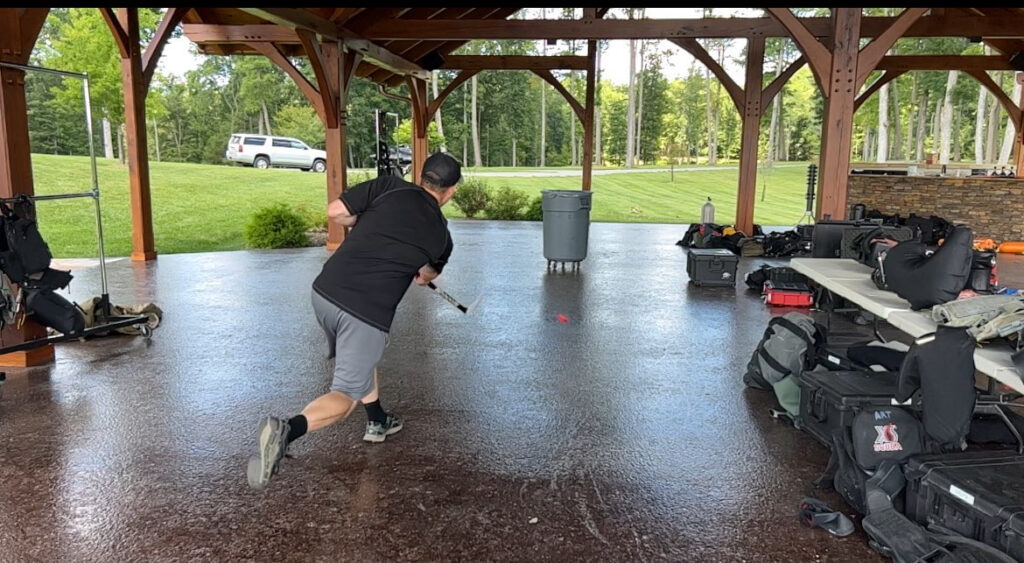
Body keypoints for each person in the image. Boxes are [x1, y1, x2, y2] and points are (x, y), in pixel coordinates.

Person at [247, 152, 461, 489]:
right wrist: (418, 269)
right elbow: (425, 276)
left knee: (362, 358)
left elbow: (335, 211)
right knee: (345, 397)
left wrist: (367, 224)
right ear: (450, 192)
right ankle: (287, 430)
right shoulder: (441, 237)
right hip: (364, 314)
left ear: (422, 177)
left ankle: (378, 419)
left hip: (324, 292)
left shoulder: (389, 187)